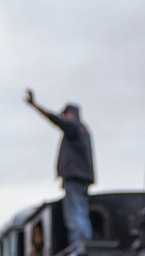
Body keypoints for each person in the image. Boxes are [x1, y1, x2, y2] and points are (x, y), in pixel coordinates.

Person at [24, 90, 95, 246]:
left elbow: (55, 120)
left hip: (74, 178)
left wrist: (35, 105)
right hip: (83, 178)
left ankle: (79, 246)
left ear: (71, 115)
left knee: (75, 214)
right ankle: (85, 244)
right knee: (81, 212)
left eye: (65, 115)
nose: (63, 117)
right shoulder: (83, 130)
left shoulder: (73, 127)